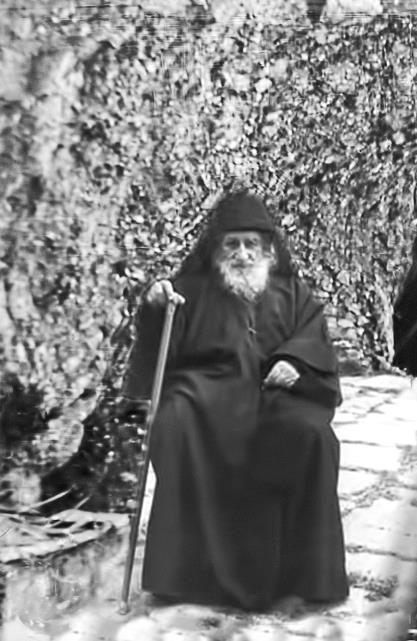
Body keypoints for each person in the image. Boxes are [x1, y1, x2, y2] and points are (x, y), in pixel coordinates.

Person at [121, 190, 348, 612]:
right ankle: (184, 578)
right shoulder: (188, 292)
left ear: (268, 250)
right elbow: (161, 343)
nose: (242, 254)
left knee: (313, 436)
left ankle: (305, 578)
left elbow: (314, 342)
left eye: (250, 245)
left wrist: (294, 362)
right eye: (232, 244)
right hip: (206, 398)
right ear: (215, 249)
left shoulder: (293, 293)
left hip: (274, 398)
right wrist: (154, 307)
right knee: (174, 420)